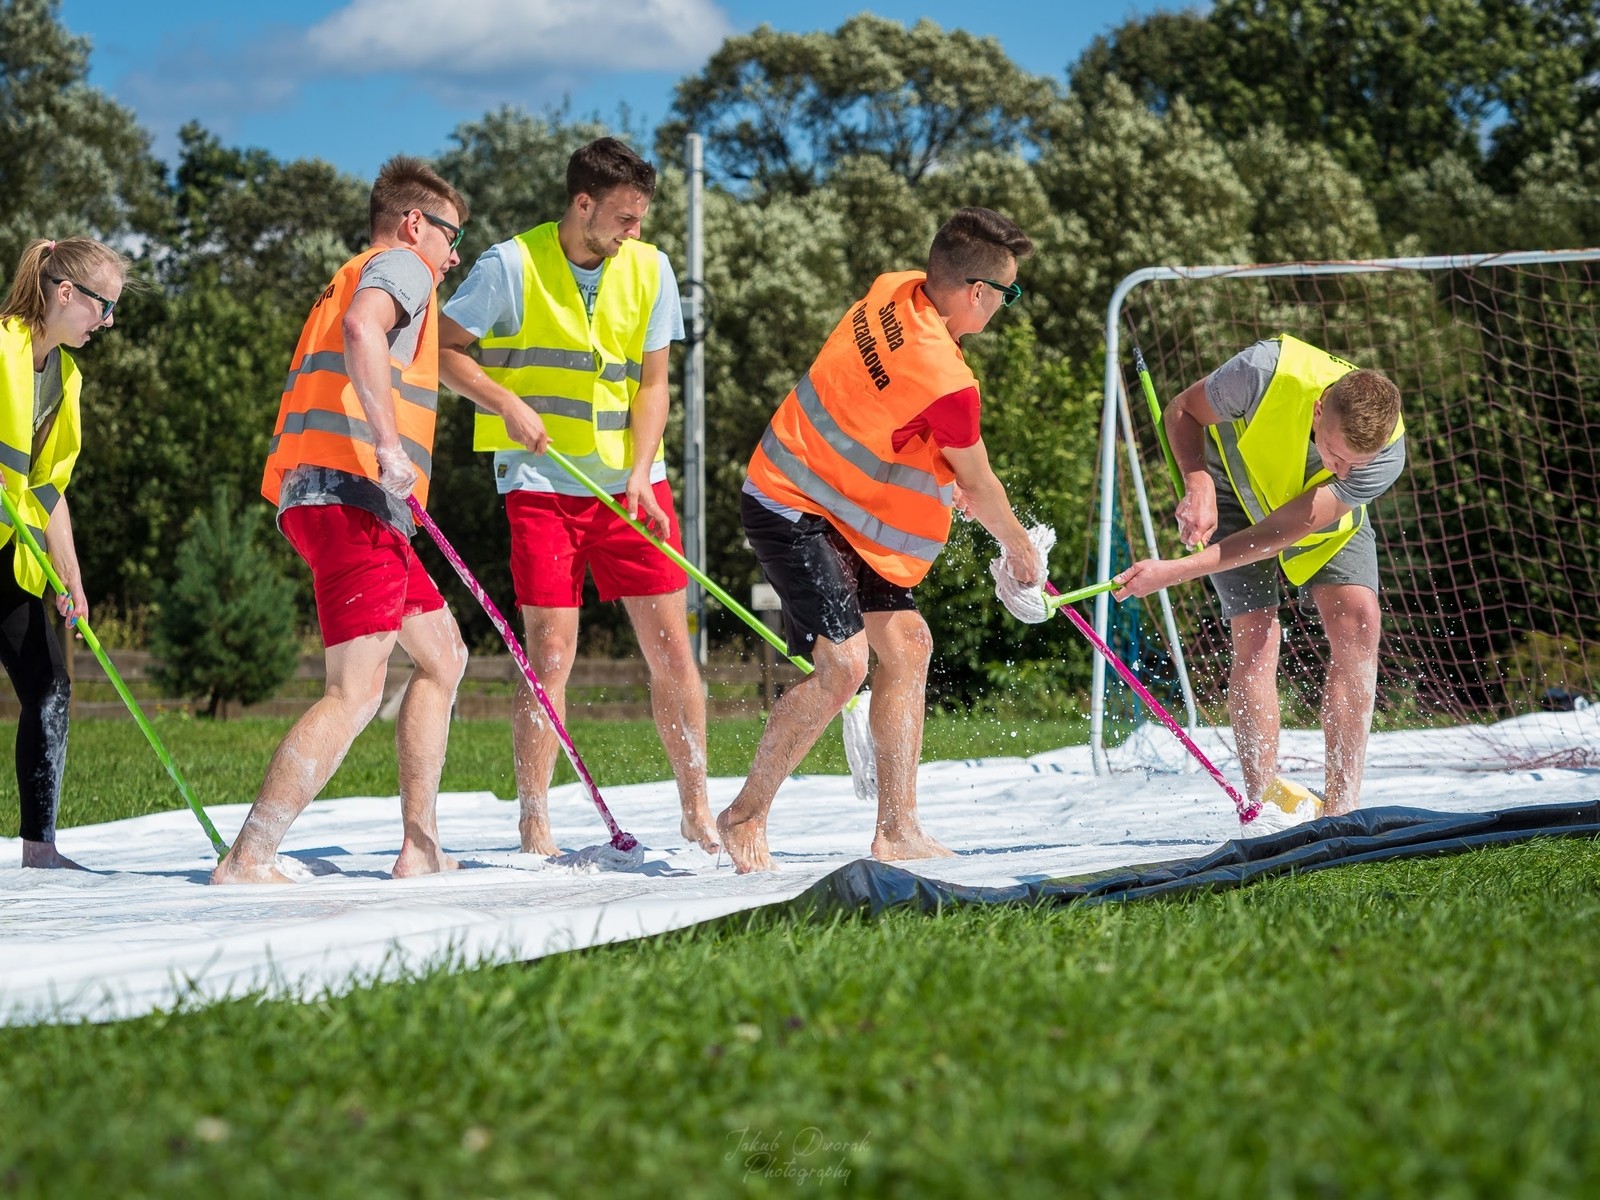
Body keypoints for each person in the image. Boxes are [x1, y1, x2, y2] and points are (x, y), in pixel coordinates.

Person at [717, 207, 1045, 873]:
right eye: (1007, 294)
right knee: (844, 668)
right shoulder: (948, 379)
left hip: (842, 508)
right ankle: (743, 817)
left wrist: (944, 475)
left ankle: (897, 830)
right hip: (788, 501)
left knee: (909, 644)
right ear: (977, 292)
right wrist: (1019, 550)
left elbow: (882, 409)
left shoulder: (894, 288)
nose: (1005, 307)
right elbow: (980, 482)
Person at [437, 137, 718, 856]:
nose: (635, 231)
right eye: (624, 217)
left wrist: (642, 470)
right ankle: (535, 821)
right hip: (541, 484)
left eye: (641, 218)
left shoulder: (652, 268)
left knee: (672, 650)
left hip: (633, 484)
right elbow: (439, 348)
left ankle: (697, 810)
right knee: (551, 653)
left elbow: (654, 384)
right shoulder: (509, 265)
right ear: (583, 204)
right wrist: (505, 402)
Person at [212, 157, 470, 884]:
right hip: (353, 492)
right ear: (414, 224)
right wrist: (389, 447)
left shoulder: (352, 271)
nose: (453, 256)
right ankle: (249, 857)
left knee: (444, 656)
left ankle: (420, 846)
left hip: (335, 495)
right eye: (451, 237)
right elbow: (363, 330)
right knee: (355, 690)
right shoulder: (403, 266)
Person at [1112, 335, 1405, 821]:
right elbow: (1182, 411)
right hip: (1232, 491)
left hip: (1309, 517)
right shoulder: (1262, 371)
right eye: (1335, 453)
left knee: (1361, 622)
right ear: (1318, 410)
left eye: (1356, 464)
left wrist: (1173, 572)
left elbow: (1282, 531)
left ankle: (1341, 809)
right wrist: (1197, 481)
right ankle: (1263, 804)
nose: (1341, 469)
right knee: (1257, 635)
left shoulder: (1388, 452)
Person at [0, 237, 128, 869]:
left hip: (9, 554)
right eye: (104, 307)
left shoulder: (66, 378)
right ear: (66, 293)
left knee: (49, 688)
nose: (108, 322)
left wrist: (70, 578)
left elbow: (49, 489)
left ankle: (39, 848)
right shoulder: (1, 346)